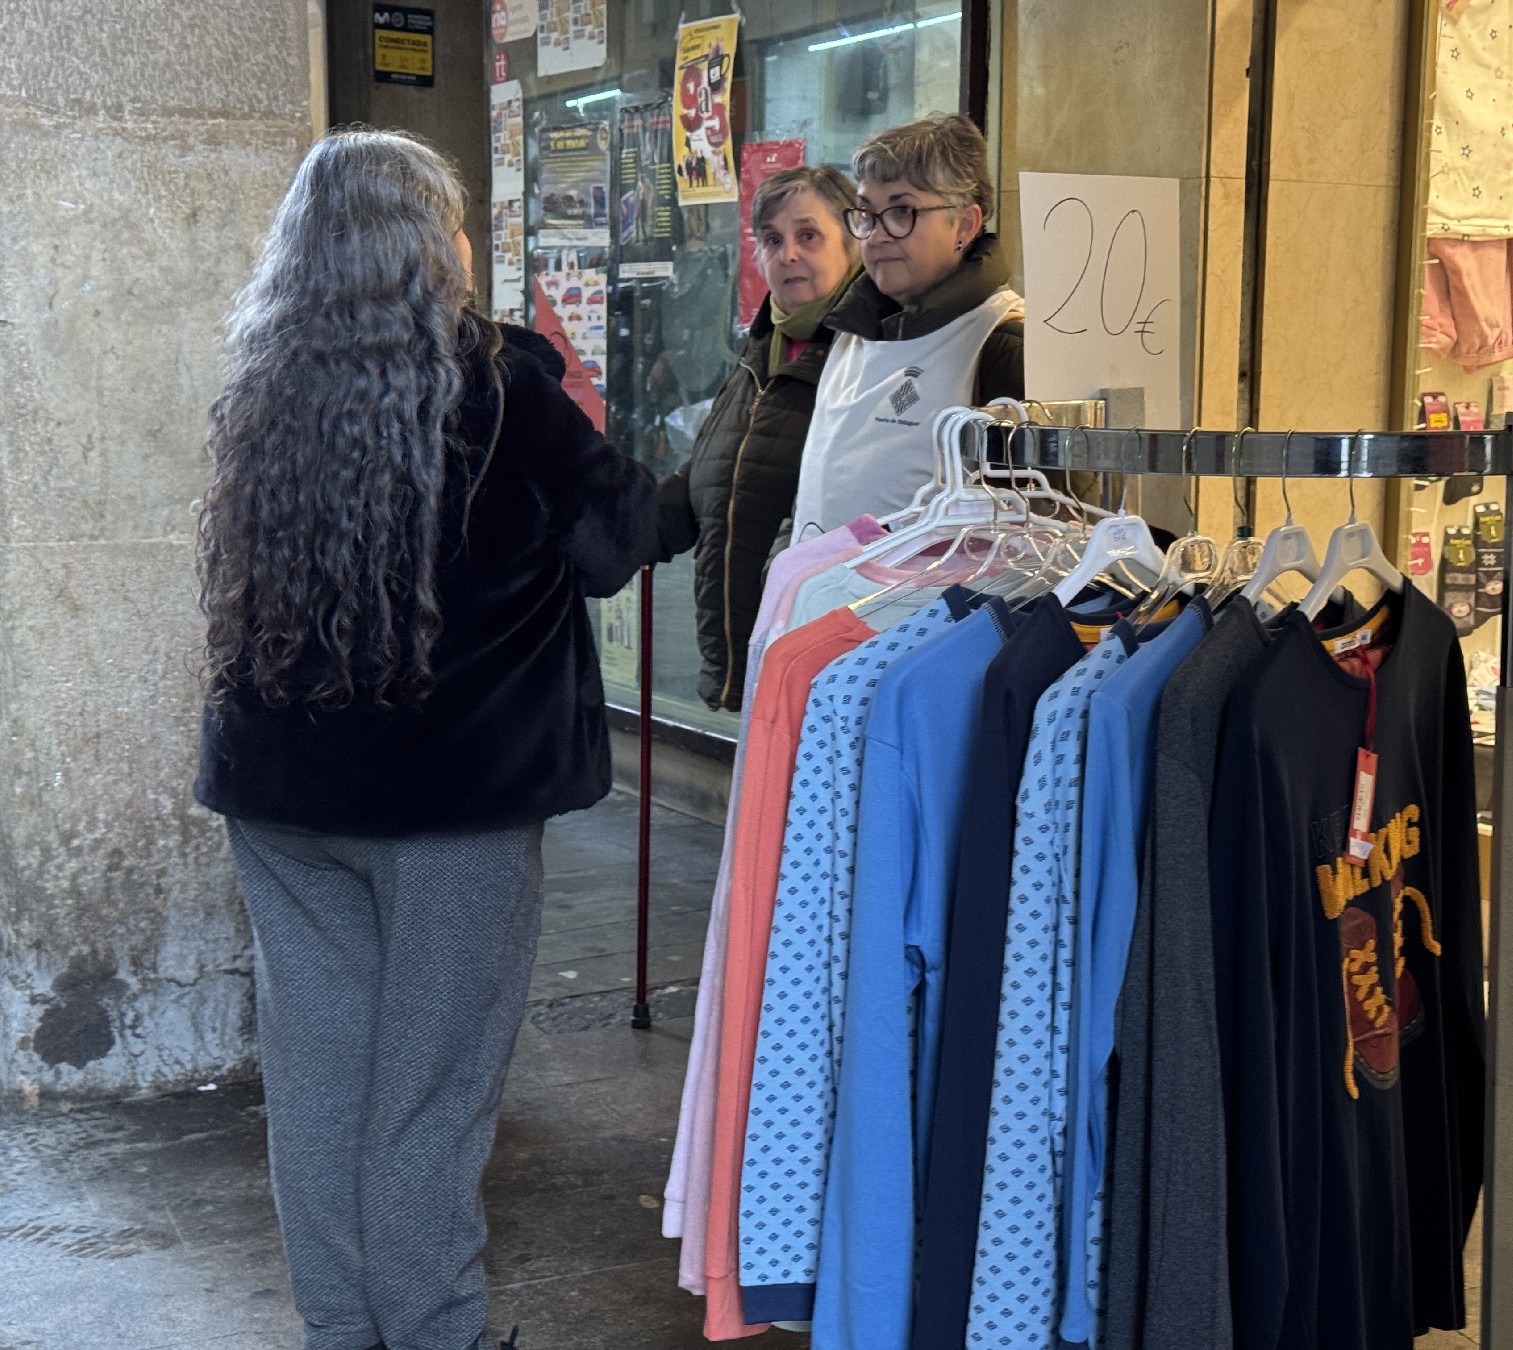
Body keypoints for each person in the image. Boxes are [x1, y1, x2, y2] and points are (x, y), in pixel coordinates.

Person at [192, 130, 666, 1350]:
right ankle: (439, 1330)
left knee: (318, 1078)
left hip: (284, 801)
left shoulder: (266, 387)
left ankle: (344, 1329)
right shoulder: (505, 392)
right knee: (433, 1089)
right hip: (452, 805)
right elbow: (617, 545)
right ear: (436, 245)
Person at [658, 165, 862, 711]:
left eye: (808, 235)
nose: (788, 254)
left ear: (853, 243)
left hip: (816, 667)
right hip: (750, 659)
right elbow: (707, 479)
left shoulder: (864, 357)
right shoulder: (761, 353)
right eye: (772, 239)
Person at [787, 112, 1024, 542]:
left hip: (929, 609)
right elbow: (812, 493)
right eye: (867, 214)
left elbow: (1041, 538)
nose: (876, 236)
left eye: (901, 211)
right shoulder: (847, 331)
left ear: (965, 224)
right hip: (813, 605)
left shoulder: (1002, 342)